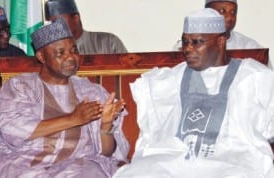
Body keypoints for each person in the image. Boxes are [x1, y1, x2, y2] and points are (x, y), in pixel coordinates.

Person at [113, 8, 274, 178]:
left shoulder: (254, 77)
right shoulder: (169, 79)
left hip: (231, 161)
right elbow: (153, 131)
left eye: (197, 42)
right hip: (174, 161)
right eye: (185, 42)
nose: (188, 49)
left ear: (220, 41)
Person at [0, 18, 129, 177]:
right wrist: (74, 119)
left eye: (74, 50)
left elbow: (106, 153)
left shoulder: (91, 92)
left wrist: (106, 126)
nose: (71, 57)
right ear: (41, 56)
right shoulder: (21, 86)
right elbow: (13, 132)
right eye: (60, 53)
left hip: (78, 164)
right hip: (24, 162)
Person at [44, 0, 127, 55]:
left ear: (76, 18)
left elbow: (129, 75)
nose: (54, 26)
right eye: (51, 23)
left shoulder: (108, 43)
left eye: (57, 21)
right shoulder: (51, 51)